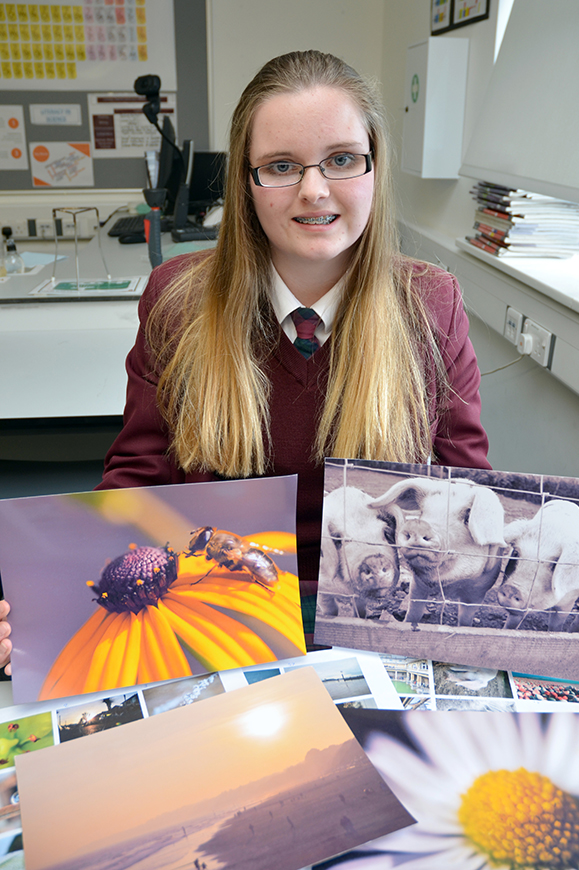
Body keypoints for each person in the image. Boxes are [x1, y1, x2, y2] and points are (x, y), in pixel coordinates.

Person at [0, 49, 492, 667]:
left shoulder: (430, 303)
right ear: (246, 182)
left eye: (341, 159)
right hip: (220, 619)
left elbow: (468, 489)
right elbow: (135, 482)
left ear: (374, 168)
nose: (314, 191)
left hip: (382, 620)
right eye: (281, 166)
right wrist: (42, 608)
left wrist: (569, 599)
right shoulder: (179, 301)